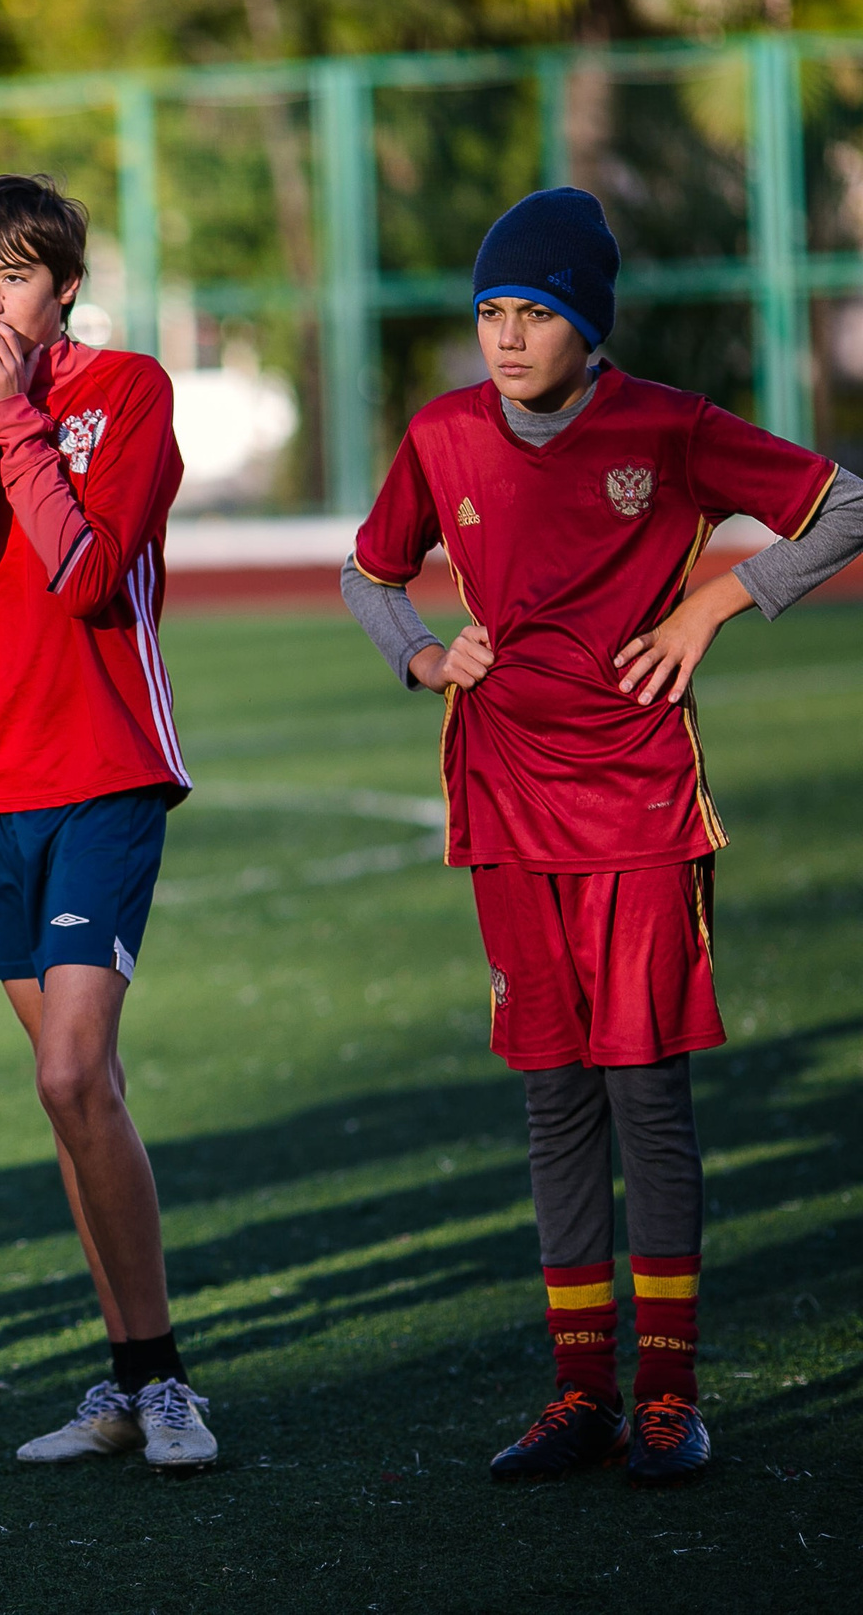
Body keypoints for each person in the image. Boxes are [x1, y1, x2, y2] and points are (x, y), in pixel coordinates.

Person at [344, 187, 863, 1488]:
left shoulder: (668, 426)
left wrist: (718, 602)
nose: (507, 338)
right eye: (491, 314)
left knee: (648, 1093)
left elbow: (844, 503)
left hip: (637, 808)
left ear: (588, 321)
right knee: (554, 1095)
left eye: (533, 313)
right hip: (503, 812)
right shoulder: (442, 434)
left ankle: (670, 1392)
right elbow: (367, 569)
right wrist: (421, 653)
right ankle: (579, 1390)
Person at [0, 174, 213, 1470]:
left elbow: (84, 575)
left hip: (109, 770)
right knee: (76, 1097)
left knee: (74, 1068)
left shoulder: (128, 392)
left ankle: (166, 1375)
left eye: (12, 276)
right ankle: (131, 1374)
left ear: (65, 286)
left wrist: (17, 413)